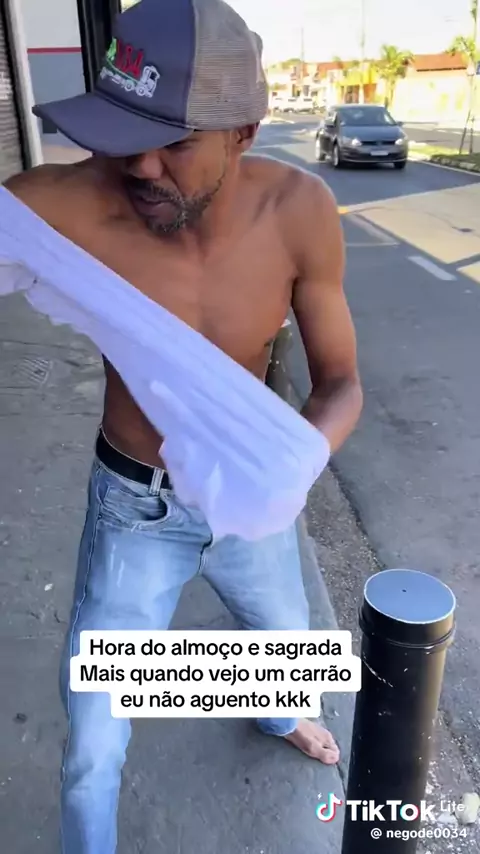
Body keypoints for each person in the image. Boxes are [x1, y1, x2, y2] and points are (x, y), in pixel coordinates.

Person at [4, 0, 363, 851]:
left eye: (172, 143)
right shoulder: (56, 209)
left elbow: (342, 382)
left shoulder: (298, 211)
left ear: (244, 133)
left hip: (254, 497)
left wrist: (294, 463)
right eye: (124, 136)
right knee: (92, 746)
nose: (139, 165)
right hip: (135, 506)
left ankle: (277, 714)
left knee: (288, 653)